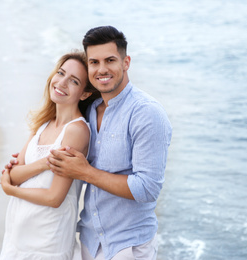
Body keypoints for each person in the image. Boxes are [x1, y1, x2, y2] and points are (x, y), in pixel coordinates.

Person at [47, 26, 173, 260]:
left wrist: (86, 172)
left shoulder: (147, 114)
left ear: (126, 62)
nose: (102, 69)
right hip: (88, 240)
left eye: (110, 60)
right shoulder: (91, 109)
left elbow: (147, 188)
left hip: (128, 246)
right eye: (94, 62)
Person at [0, 51, 100, 260]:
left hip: (47, 240)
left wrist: (12, 190)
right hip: (18, 235)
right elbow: (14, 175)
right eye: (60, 73)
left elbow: (54, 198)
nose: (61, 83)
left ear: (85, 93)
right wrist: (43, 164)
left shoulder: (76, 131)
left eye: (73, 81)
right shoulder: (44, 123)